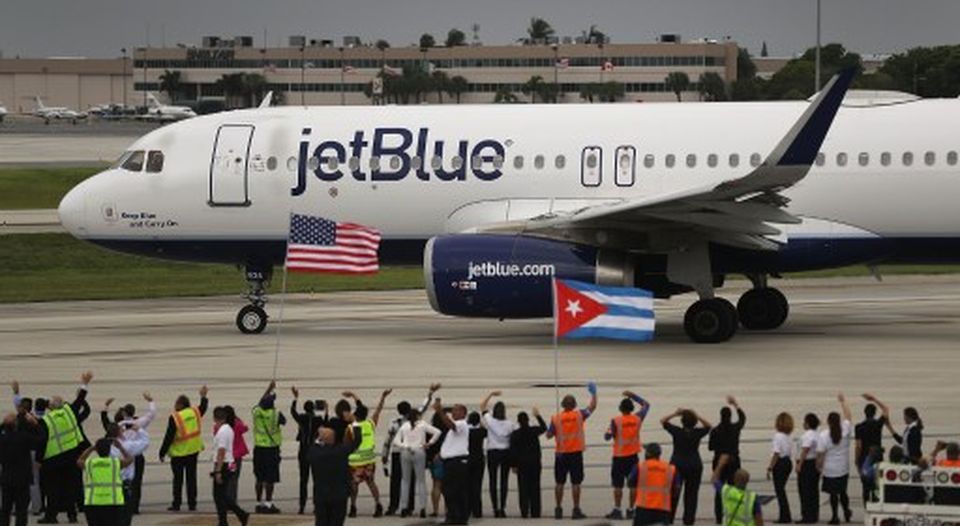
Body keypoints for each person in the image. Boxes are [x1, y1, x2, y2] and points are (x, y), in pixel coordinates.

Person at [37, 371, 94, 525]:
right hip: (72, 456)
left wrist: (39, 459)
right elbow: (80, 400)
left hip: (53, 459)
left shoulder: (46, 420)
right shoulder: (70, 412)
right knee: (70, 487)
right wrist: (85, 383)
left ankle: (51, 516)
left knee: (52, 489)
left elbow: (42, 442)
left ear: (50, 407)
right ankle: (72, 515)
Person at [382, 384, 440, 516]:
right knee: (414, 480)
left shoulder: (395, 423)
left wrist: (384, 456)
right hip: (416, 452)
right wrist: (430, 393)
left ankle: (394, 506)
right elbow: (424, 406)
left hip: (398, 453)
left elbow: (388, 440)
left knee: (397, 480)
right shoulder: (417, 419)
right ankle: (411, 506)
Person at [546, 382, 598, 520]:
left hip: (561, 454)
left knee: (559, 483)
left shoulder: (556, 418)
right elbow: (592, 407)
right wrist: (594, 393)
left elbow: (548, 435)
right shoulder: (579, 415)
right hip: (575, 453)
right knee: (576, 483)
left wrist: (555, 429)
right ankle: (576, 509)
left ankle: (558, 509)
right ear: (574, 405)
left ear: (563, 405)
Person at [100, 392, 156, 516]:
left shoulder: (118, 425)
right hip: (136, 453)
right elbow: (151, 414)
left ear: (123, 413)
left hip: (121, 454)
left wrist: (106, 407)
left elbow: (105, 422)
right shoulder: (138, 423)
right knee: (137, 482)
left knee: (119, 481)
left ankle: (120, 504)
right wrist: (150, 401)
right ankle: (134, 507)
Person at [158, 385, 209, 512]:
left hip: (178, 453)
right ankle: (192, 504)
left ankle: (177, 504)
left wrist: (162, 452)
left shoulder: (175, 417)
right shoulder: (194, 412)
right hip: (193, 451)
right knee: (191, 478)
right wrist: (203, 396)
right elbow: (203, 407)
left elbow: (169, 436)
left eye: (176, 403)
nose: (174, 406)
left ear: (180, 405)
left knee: (178, 480)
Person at [604, 390, 651, 521]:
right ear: (632, 409)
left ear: (620, 409)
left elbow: (607, 437)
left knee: (618, 485)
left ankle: (617, 509)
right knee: (633, 485)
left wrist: (610, 431)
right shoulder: (638, 418)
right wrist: (633, 396)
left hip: (619, 457)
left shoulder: (615, 421)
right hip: (633, 456)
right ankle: (631, 509)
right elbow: (646, 405)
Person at [344, 389, 391, 518]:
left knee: (354, 485)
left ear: (355, 415)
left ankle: (353, 507)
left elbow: (346, 445)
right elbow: (378, 410)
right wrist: (383, 397)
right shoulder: (370, 424)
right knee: (371, 483)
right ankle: (378, 504)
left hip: (355, 462)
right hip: (369, 460)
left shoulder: (350, 428)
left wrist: (353, 395)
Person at [661, 407, 712, 526]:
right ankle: (689, 520)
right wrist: (696, 415)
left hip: (677, 464)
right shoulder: (697, 433)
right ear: (694, 422)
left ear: (682, 421)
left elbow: (663, 421)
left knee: (673, 493)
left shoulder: (677, 431)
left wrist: (675, 414)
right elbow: (709, 426)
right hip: (694, 464)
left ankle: (669, 518)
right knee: (692, 494)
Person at [393, 408, 442, 518]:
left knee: (405, 480)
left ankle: (403, 507)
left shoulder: (405, 426)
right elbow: (438, 432)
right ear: (418, 416)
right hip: (419, 451)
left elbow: (396, 441)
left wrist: (405, 446)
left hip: (406, 452)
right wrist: (429, 443)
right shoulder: (422, 424)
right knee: (421, 481)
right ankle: (422, 508)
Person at [310, 425, 362, 526]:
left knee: (321, 522)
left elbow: (312, 447)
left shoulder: (315, 452)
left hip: (321, 496)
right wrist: (355, 424)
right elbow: (356, 441)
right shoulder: (341, 451)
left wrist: (319, 437)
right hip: (339, 495)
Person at [1, 411, 43, 526]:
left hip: (7, 479)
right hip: (22, 479)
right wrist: (35, 424)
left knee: (5, 509)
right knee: (21, 510)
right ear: (16, 424)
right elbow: (41, 438)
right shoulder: (23, 438)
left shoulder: (2, 439)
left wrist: (4, 423)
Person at [77, 437, 132, 526]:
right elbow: (130, 459)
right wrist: (120, 447)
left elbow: (79, 461)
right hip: (113, 502)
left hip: (93, 503)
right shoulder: (115, 463)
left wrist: (91, 449)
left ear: (97, 450)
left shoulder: (90, 464)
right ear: (109, 450)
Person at [817, 393, 853, 525]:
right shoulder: (845, 430)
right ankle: (846, 511)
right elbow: (848, 416)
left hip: (830, 469)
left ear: (828, 422)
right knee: (843, 492)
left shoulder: (824, 435)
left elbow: (820, 454)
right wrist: (843, 402)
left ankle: (835, 516)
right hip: (843, 468)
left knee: (833, 494)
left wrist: (819, 466)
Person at [103, 421, 149, 526]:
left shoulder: (106, 447)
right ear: (119, 432)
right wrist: (138, 429)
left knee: (113, 514)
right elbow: (145, 442)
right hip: (125, 483)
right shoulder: (128, 446)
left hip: (111, 483)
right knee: (125, 513)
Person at [291, 386, 328, 515]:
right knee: (317, 480)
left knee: (303, 480)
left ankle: (302, 506)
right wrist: (327, 410)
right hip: (315, 451)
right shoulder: (318, 420)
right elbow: (326, 423)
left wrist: (295, 398)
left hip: (303, 450)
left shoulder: (301, 418)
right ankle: (316, 506)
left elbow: (293, 412)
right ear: (313, 408)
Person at [709, 396, 745, 525]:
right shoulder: (735, 428)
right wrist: (736, 404)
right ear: (730, 416)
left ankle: (719, 518)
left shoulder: (715, 431)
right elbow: (742, 419)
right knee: (734, 489)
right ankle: (734, 514)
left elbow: (710, 447)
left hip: (719, 461)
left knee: (719, 490)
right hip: (733, 461)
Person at [211, 406, 249, 526]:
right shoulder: (229, 427)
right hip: (231, 461)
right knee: (224, 492)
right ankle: (230, 518)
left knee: (219, 495)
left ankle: (236, 516)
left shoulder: (222, 431)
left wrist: (218, 470)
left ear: (216, 418)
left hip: (224, 464)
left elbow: (221, 451)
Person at [251, 381, 286, 514]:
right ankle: (268, 503)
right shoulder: (276, 414)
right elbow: (284, 422)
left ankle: (258, 502)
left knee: (259, 478)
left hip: (259, 448)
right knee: (270, 478)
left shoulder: (257, 412)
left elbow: (260, 402)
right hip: (271, 449)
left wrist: (269, 389)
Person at [435, 398, 471, 525]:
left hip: (457, 462)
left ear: (463, 413)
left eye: (456, 411)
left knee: (452, 490)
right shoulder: (454, 429)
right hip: (451, 462)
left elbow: (450, 424)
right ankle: (457, 516)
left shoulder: (461, 424)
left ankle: (455, 516)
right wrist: (441, 454)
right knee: (453, 490)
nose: (453, 413)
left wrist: (440, 411)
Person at [480, 390, 515, 518]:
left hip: (493, 452)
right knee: (504, 481)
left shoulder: (490, 421)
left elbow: (482, 406)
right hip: (505, 452)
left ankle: (495, 507)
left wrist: (490, 394)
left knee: (493, 480)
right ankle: (502, 507)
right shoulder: (510, 424)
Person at [510, 408, 546, 519]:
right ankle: (536, 511)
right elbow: (544, 428)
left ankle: (524, 511)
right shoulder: (534, 431)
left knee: (523, 488)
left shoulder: (515, 434)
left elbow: (513, 451)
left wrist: (513, 465)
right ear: (528, 420)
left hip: (521, 464)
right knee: (535, 488)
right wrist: (538, 416)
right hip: (534, 463)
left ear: (518, 422)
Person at [628, 443, 676, 526]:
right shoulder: (670, 468)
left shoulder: (640, 466)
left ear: (647, 454)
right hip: (663, 510)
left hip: (643, 509)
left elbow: (630, 482)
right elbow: (677, 488)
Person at [856, 394, 889, 505]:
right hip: (877, 458)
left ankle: (866, 506)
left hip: (864, 458)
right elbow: (886, 409)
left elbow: (858, 446)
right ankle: (876, 504)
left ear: (864, 413)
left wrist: (857, 460)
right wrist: (874, 399)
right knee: (877, 485)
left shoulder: (859, 427)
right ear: (874, 413)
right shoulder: (878, 424)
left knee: (865, 487)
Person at [767, 412, 794, 524]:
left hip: (780, 464)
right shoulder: (789, 436)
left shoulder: (777, 436)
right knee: (781, 490)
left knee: (780, 491)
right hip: (788, 462)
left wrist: (770, 467)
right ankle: (785, 514)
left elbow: (776, 453)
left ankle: (785, 516)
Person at [795, 413, 821, 524]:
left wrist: (799, 464)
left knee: (805, 491)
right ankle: (814, 514)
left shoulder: (807, 435)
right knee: (813, 491)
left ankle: (806, 515)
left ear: (808, 423)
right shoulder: (817, 435)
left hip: (807, 464)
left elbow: (805, 449)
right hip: (814, 463)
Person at [223, 406, 249, 506]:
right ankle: (232, 500)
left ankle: (226, 500)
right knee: (233, 479)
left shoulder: (222, 426)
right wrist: (238, 419)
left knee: (227, 479)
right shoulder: (237, 424)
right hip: (235, 457)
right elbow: (245, 428)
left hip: (226, 456)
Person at [427, 408, 449, 518]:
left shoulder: (430, 430)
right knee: (447, 486)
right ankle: (447, 509)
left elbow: (428, 446)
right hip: (446, 459)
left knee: (436, 485)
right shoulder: (448, 430)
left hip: (434, 459)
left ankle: (435, 510)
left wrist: (429, 459)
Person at [466, 412, 486, 519]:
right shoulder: (481, 431)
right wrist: (480, 423)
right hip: (479, 459)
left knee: (468, 485)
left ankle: (468, 509)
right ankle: (477, 511)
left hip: (468, 458)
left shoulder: (467, 431)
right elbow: (485, 429)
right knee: (477, 486)